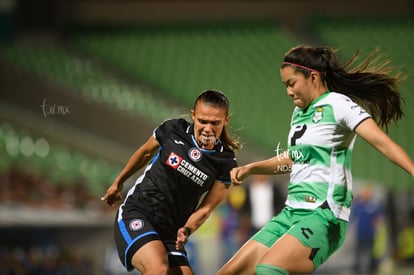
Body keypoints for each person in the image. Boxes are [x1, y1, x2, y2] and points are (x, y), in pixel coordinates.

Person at [218, 45, 414, 275]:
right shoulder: (299, 113)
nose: (288, 92)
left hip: (324, 216)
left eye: (291, 84)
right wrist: (252, 168)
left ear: (312, 77)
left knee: (268, 269)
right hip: (291, 213)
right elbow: (295, 158)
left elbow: (383, 143)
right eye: (285, 86)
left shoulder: (338, 105)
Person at [101, 89, 241, 275]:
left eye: (215, 123)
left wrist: (187, 229)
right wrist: (117, 183)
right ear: (193, 115)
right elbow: (144, 152)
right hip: (139, 213)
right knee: (158, 269)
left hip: (172, 231)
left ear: (226, 120)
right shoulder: (173, 129)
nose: (208, 128)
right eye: (202, 121)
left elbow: (206, 209)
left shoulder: (225, 162)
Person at [351, 185, 384, 274]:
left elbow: (379, 217)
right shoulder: (358, 205)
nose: (365, 195)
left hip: (371, 232)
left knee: (372, 251)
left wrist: (378, 223)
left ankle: (372, 268)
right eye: (364, 194)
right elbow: (352, 217)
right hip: (360, 232)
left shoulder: (374, 205)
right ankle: (357, 269)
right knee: (359, 252)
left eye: (367, 193)